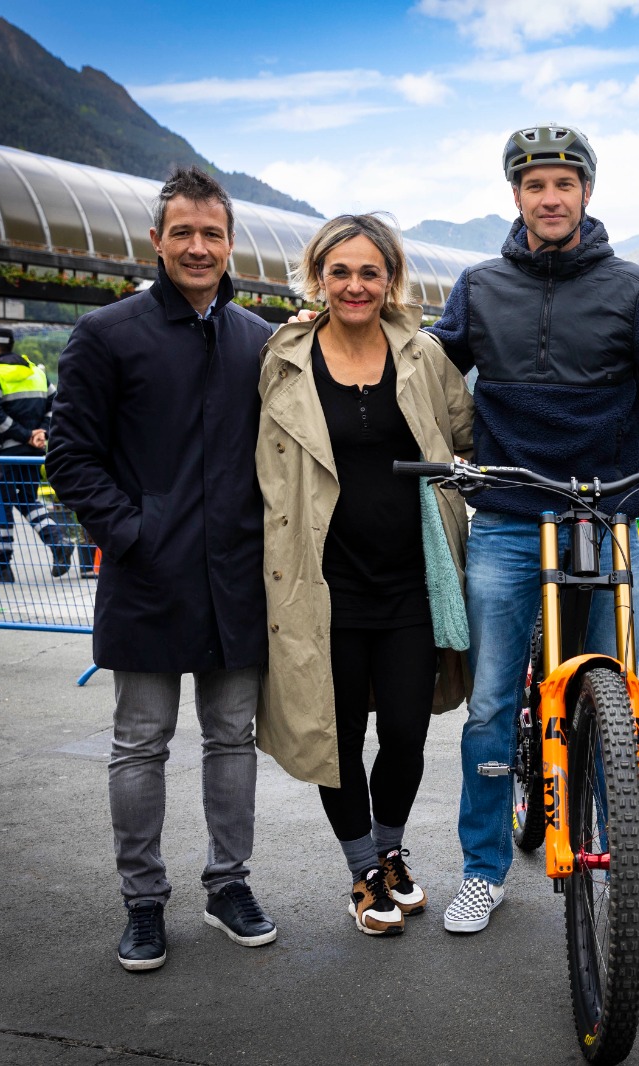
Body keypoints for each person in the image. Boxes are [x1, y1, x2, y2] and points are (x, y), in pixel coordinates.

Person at [426, 122, 639, 934]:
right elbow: (424, 371)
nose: (550, 198)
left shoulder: (631, 288)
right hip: (508, 516)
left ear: (586, 192)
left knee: (617, 695)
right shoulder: (478, 286)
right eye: (535, 185)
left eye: (564, 184)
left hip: (604, 516)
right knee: (491, 703)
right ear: (516, 195)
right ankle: (482, 871)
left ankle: (624, 862)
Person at [49, 167, 278, 972]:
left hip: (236, 579)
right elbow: (70, 456)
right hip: (147, 575)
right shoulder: (106, 334)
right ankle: (143, 902)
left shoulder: (259, 340)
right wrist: (133, 534)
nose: (197, 246)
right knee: (140, 743)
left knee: (232, 739)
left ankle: (229, 885)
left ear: (230, 242)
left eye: (211, 233)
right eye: (182, 232)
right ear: (156, 240)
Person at [255, 213, 473, 936]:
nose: (354, 285)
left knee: (406, 732)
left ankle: (391, 851)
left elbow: (470, 434)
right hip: (323, 584)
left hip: (412, 580)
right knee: (338, 736)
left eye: (369, 272)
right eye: (340, 271)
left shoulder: (423, 356)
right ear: (318, 278)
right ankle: (363, 870)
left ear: (391, 279)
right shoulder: (283, 358)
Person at [0, 324, 73, 583]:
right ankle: (58, 542)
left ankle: (1, 566)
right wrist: (41, 432)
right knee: (27, 499)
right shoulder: (36, 371)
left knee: (0, 506)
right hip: (31, 453)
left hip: (3, 455)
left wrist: (25, 434)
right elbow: (56, 403)